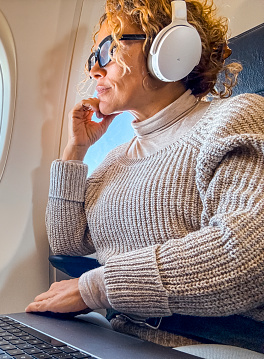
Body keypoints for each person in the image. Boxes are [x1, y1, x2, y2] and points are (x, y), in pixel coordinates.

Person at [26, 0, 264, 352]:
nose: (94, 70)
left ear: (168, 47)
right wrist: (75, 151)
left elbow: (247, 253)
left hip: (197, 342)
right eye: (93, 58)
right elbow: (67, 243)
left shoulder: (234, 118)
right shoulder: (114, 160)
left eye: (108, 50)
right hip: (119, 338)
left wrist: (95, 288)